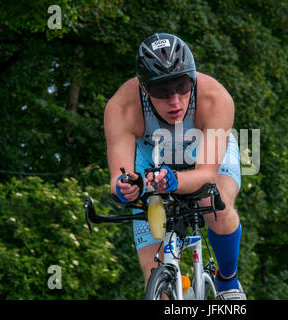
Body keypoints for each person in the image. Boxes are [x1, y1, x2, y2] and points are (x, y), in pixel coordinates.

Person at [104, 33, 246, 300]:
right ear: (144, 89)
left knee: (216, 205)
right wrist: (126, 188)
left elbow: (206, 174)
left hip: (208, 157)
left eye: (182, 86)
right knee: (154, 272)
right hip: (154, 163)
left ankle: (228, 281)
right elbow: (118, 176)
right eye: (161, 92)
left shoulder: (215, 98)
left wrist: (175, 180)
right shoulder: (122, 107)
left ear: (192, 78)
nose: (176, 102)